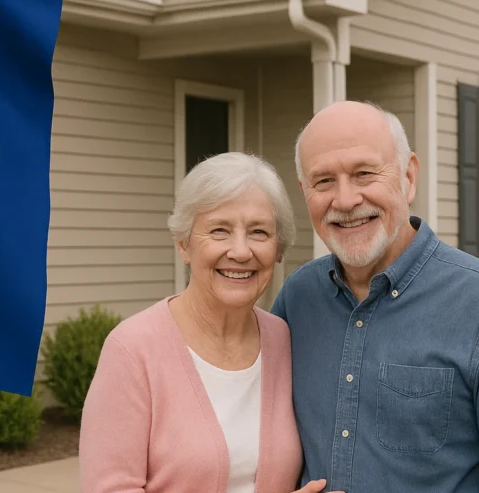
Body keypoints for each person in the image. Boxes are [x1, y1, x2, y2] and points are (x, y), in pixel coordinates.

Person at [271, 100, 479, 492]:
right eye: (323, 181)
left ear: (409, 176)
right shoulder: (298, 298)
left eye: (364, 173)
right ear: (304, 192)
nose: (344, 200)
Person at [79, 152, 342, 493]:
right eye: (219, 231)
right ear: (183, 245)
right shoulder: (132, 350)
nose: (240, 251)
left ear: (278, 250)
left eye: (259, 232)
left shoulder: (282, 339)